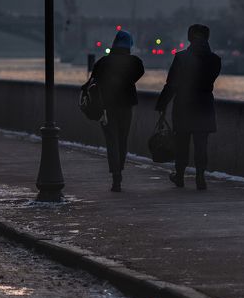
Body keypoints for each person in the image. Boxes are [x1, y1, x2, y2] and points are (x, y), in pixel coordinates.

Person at [156, 23, 221, 190]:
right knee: (201, 145)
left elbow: (171, 85)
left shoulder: (181, 58)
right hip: (204, 106)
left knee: (182, 144)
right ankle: (200, 177)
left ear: (190, 37)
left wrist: (161, 104)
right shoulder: (215, 60)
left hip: (184, 106)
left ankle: (179, 176)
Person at [91, 30, 144, 192]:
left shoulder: (103, 63)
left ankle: (115, 177)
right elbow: (137, 74)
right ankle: (119, 169)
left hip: (107, 107)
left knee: (111, 141)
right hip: (126, 106)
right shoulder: (135, 62)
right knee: (122, 139)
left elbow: (95, 80)